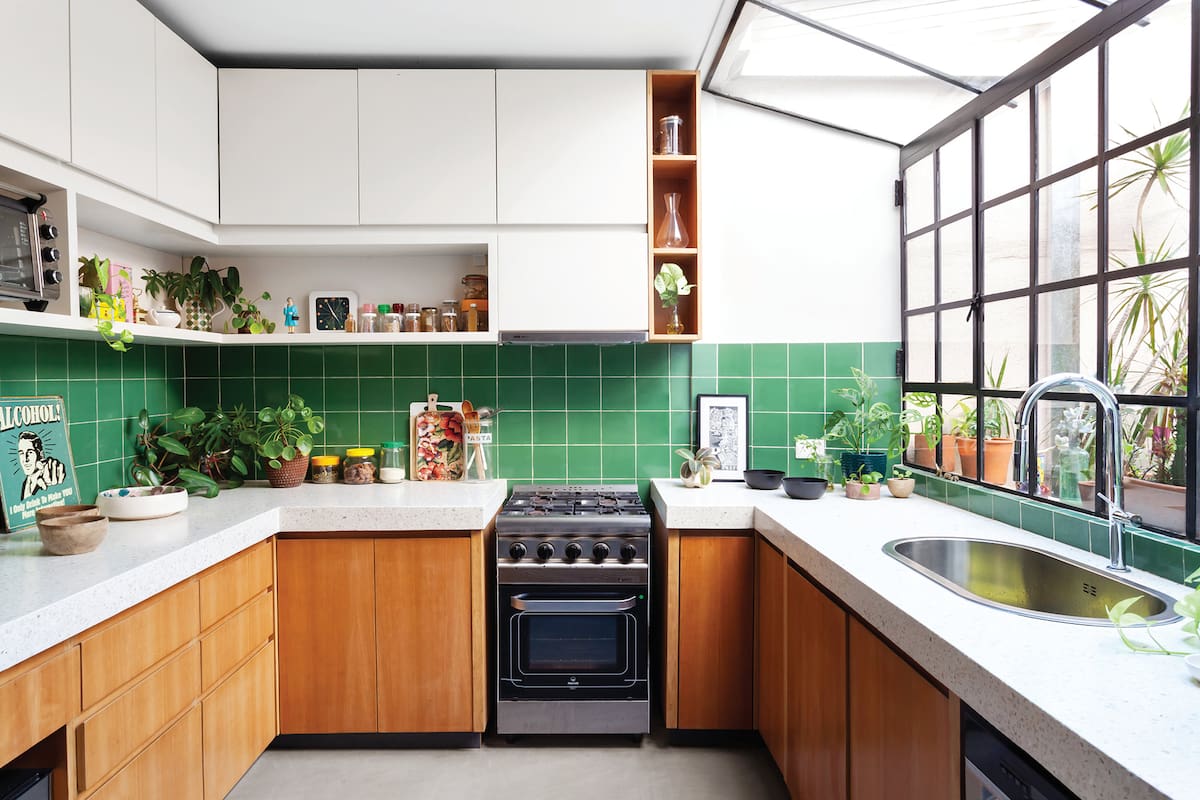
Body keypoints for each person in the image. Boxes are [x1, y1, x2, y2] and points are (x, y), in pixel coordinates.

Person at [18, 432, 67, 501]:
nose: (25, 459)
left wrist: (55, 471)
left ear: (41, 455)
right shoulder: (25, 484)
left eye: (30, 452)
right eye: (21, 453)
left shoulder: (47, 476)